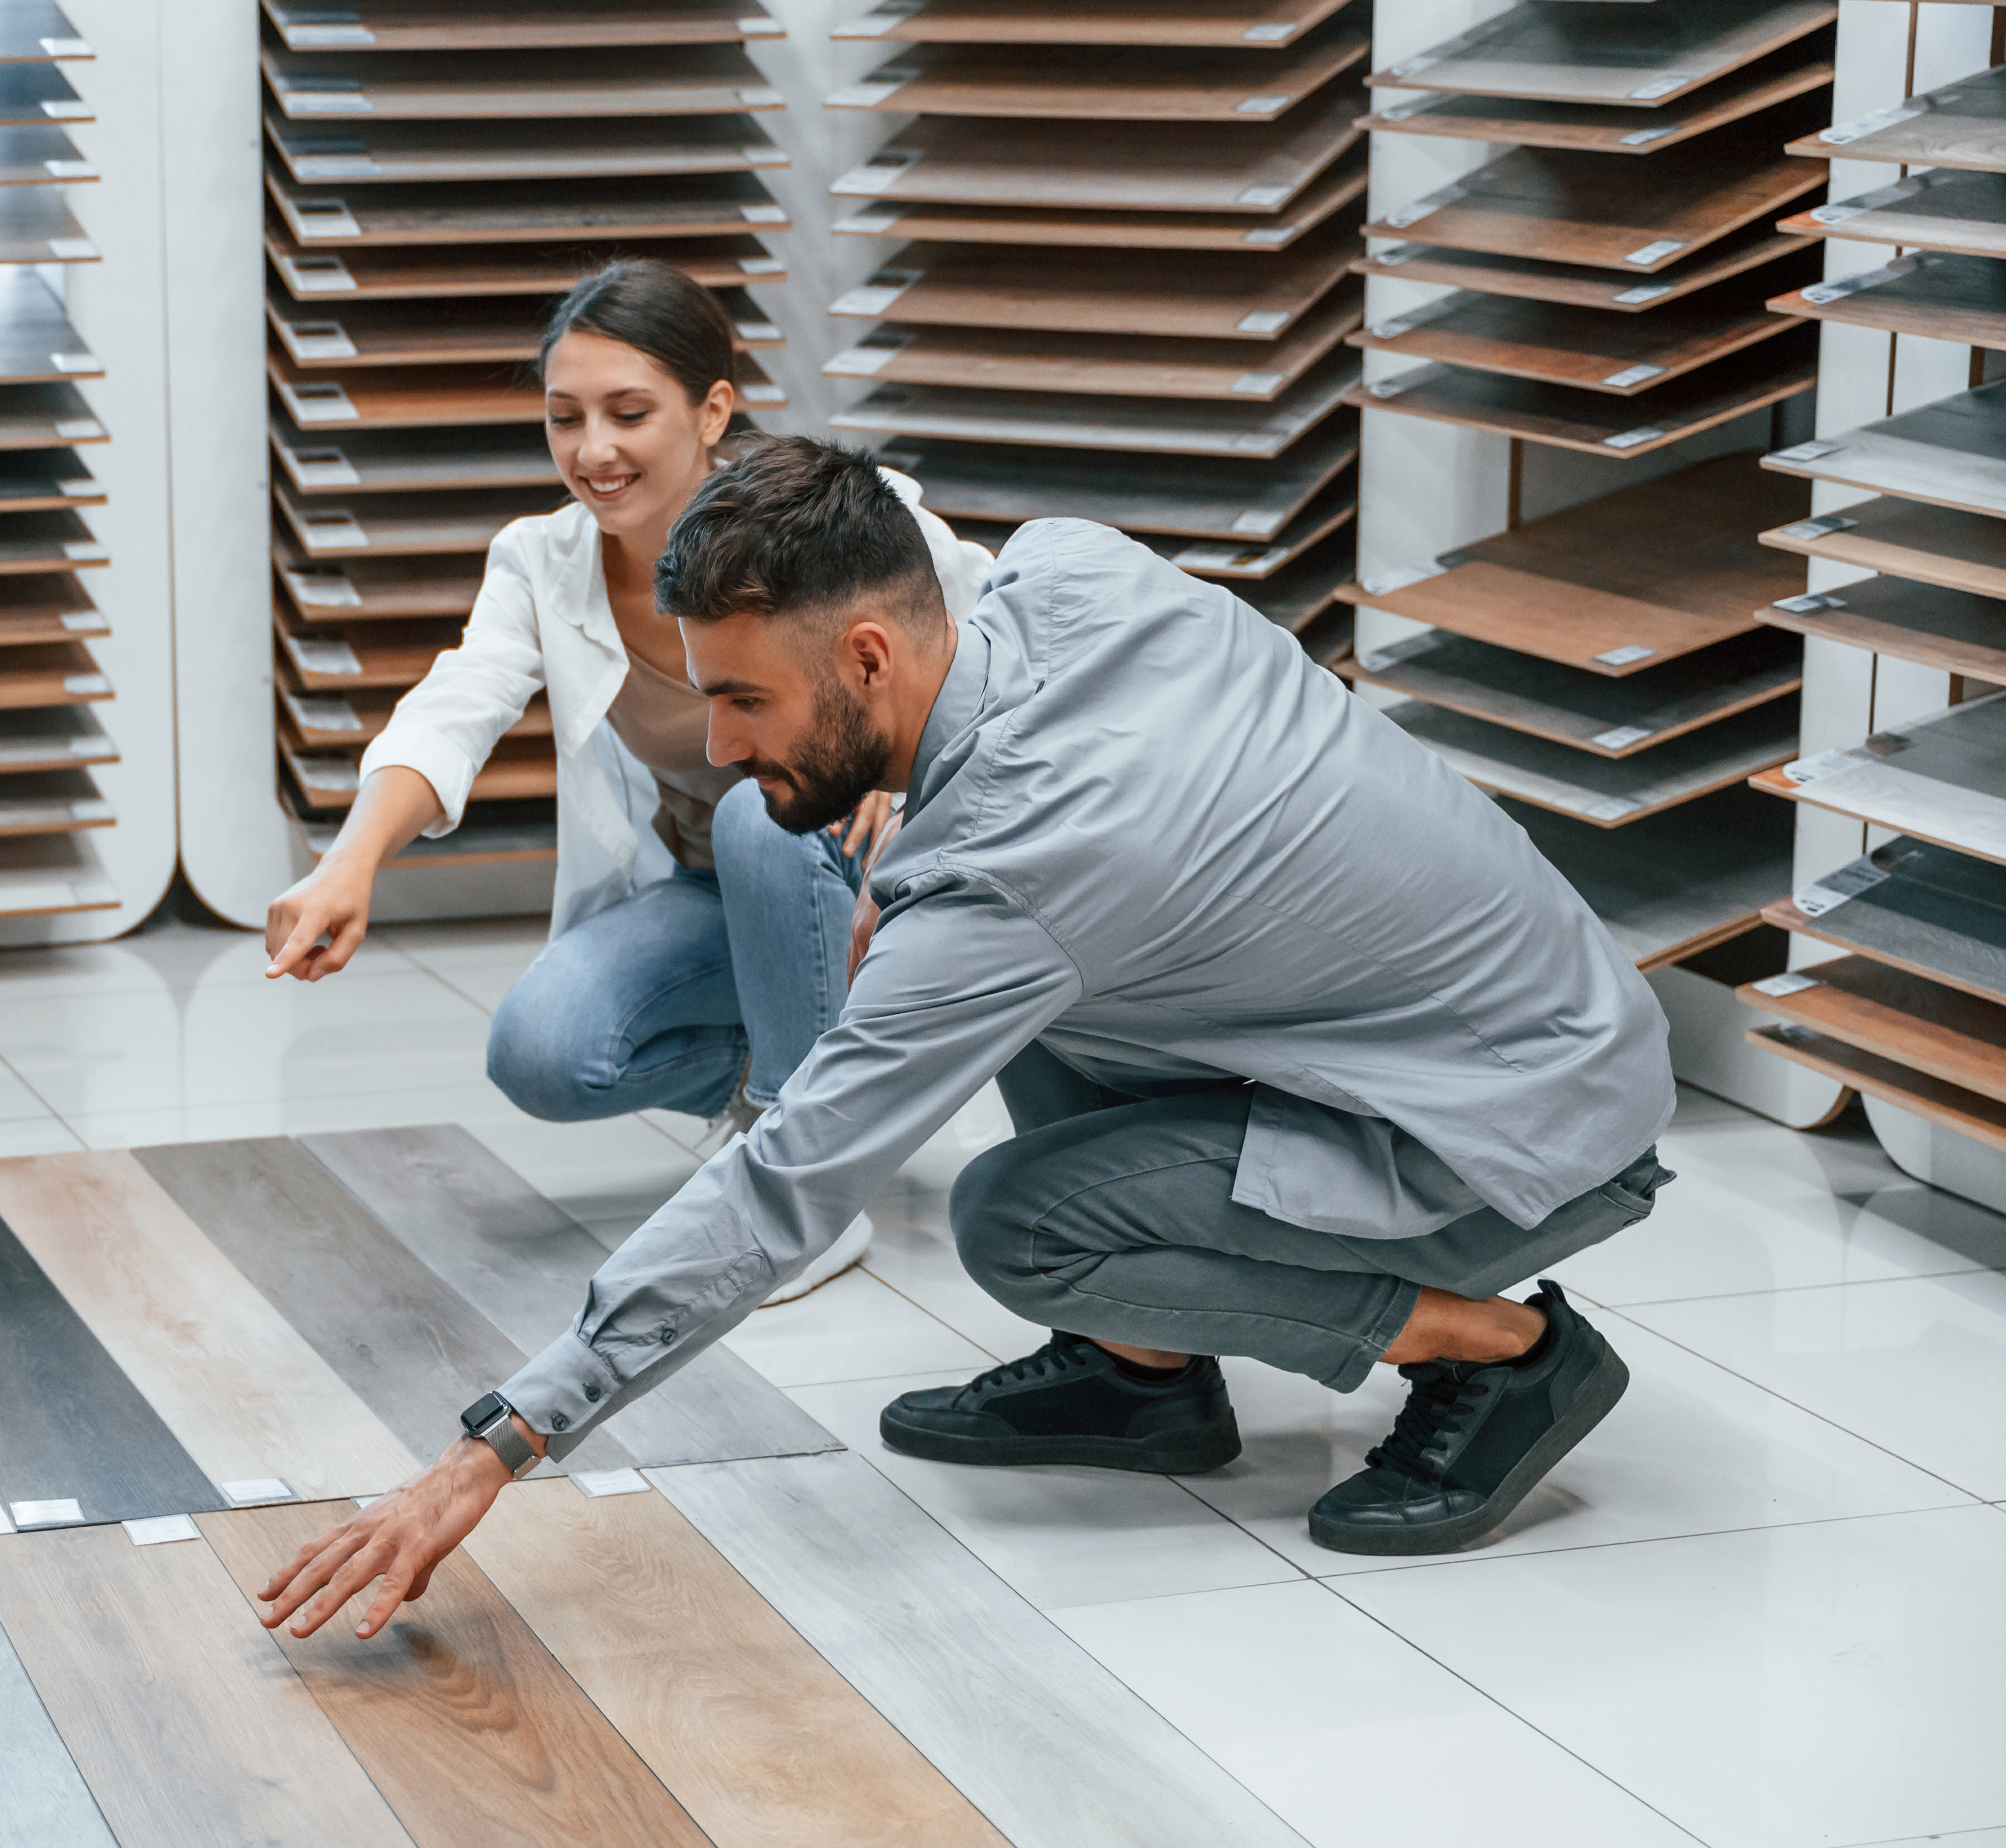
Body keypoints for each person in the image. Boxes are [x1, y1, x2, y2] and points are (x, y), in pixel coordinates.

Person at [258, 434, 1676, 1642]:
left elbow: (782, 1190)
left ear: (866, 656)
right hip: (1526, 1024)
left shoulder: (1016, 880)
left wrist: (494, 1444)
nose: (717, 747)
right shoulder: (1066, 565)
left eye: (745, 700)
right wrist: (899, 859)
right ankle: (1145, 1379)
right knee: (995, 969)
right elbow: (1006, 781)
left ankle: (1499, 1348)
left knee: (1018, 1226)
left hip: (1517, 1135)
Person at [265, 260, 992, 1301]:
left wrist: (906, 760)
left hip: (864, 876)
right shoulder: (542, 562)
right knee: (545, 1051)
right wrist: (352, 861)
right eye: (565, 418)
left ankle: (800, 1193)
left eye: (628, 412)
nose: (592, 451)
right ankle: (786, 1096)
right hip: (716, 886)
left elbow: (993, 636)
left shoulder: (833, 522)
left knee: (758, 812)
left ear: (712, 411)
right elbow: (455, 704)